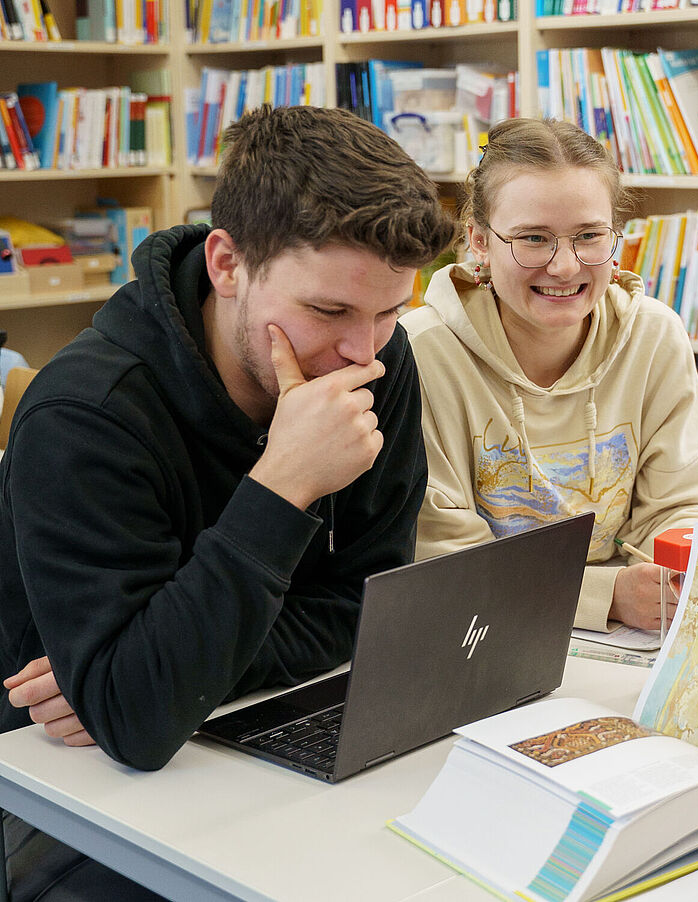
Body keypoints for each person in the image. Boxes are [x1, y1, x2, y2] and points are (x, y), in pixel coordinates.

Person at [0, 104, 455, 898]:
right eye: (329, 310)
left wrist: (177, 667)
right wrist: (282, 484)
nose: (364, 351)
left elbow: (374, 608)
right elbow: (137, 723)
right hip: (61, 790)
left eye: (391, 311)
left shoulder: (379, 359)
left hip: (241, 740)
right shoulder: (87, 412)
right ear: (226, 262)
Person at [403, 118, 698, 633]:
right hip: (485, 629)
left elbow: (683, 505)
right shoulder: (420, 353)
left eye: (588, 237)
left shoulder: (654, 334)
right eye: (534, 238)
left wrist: (670, 576)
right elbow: (441, 557)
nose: (565, 266)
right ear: (479, 242)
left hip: (631, 637)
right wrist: (605, 596)